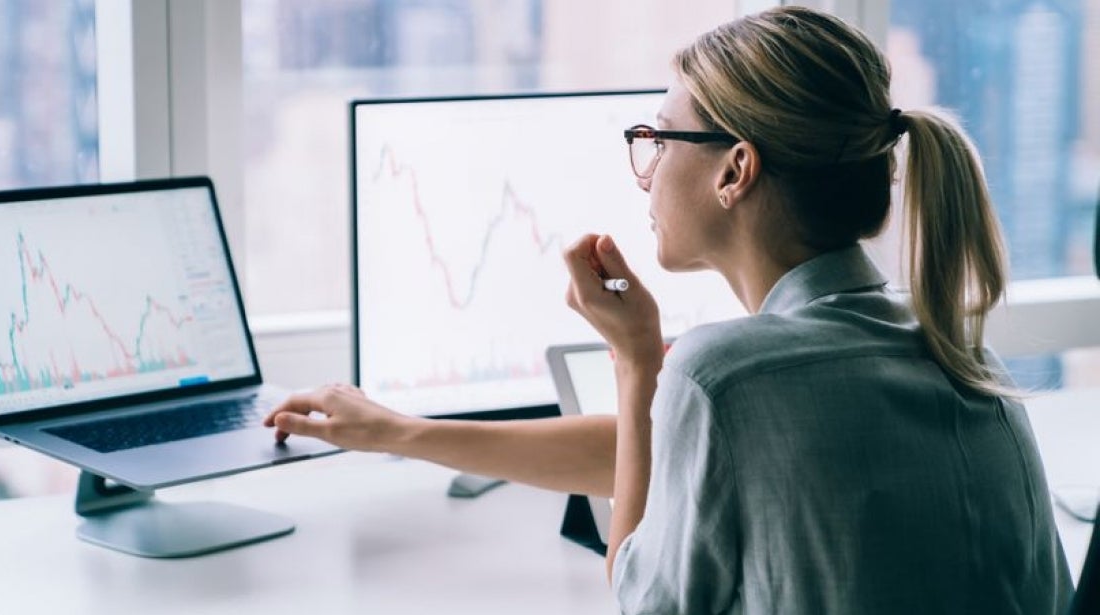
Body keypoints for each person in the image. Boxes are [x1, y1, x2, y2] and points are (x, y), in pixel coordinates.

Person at [265, 6, 1073, 614]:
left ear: (736, 171)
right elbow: (692, 457)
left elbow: (638, 595)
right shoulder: (965, 364)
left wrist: (637, 360)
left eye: (659, 137)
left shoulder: (724, 375)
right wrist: (401, 432)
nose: (644, 171)